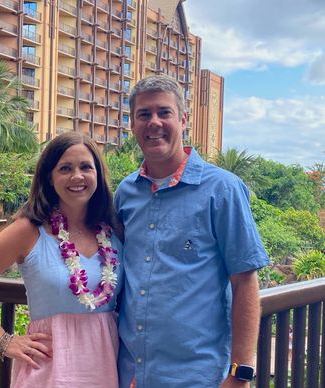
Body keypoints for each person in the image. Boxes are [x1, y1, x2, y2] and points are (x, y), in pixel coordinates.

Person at [115, 75, 269, 388]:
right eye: (144, 114)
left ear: (184, 120)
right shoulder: (126, 193)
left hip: (198, 377)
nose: (154, 122)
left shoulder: (223, 190)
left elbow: (245, 281)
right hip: (130, 373)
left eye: (164, 112)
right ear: (132, 124)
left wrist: (241, 374)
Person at [0, 132, 123, 388]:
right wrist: (3, 340)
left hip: (106, 367)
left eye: (86, 167)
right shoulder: (29, 230)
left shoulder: (113, 230)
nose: (77, 176)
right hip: (50, 370)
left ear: (98, 174)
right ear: (50, 178)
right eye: (65, 168)